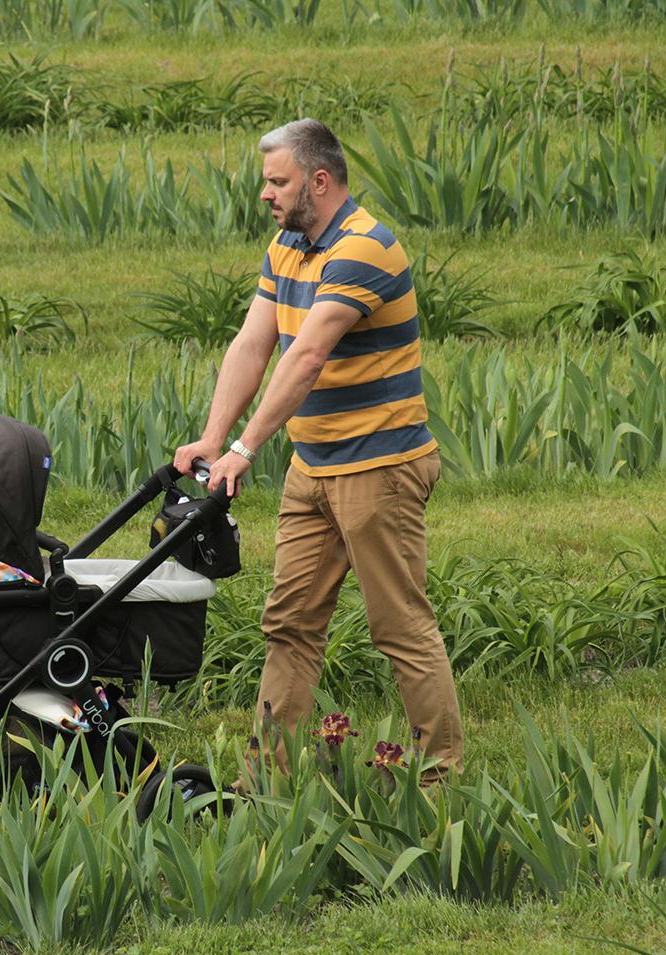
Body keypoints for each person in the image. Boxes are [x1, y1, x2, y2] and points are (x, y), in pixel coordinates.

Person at [172, 118, 464, 781]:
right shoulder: (289, 247)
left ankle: (440, 778)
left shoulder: (363, 249)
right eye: (266, 183)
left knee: (399, 626)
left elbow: (305, 358)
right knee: (290, 624)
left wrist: (245, 449)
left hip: (379, 469)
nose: (266, 195)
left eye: (277, 182)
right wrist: (215, 436)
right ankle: (268, 780)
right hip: (316, 466)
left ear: (319, 180)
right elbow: (255, 343)